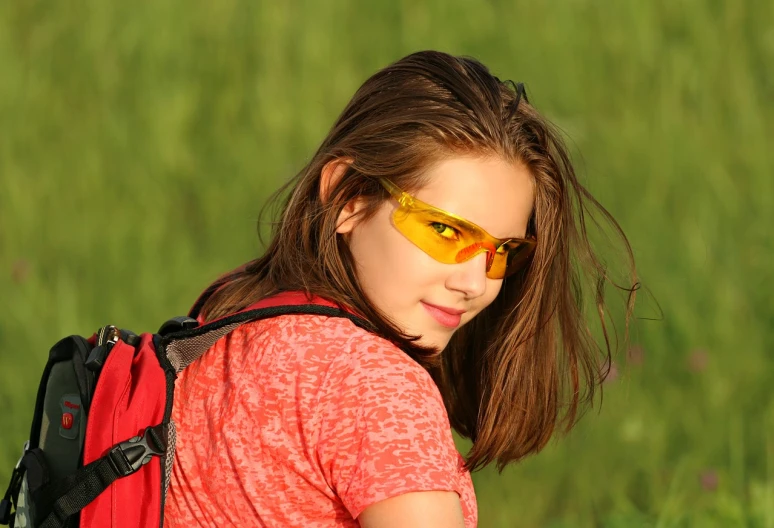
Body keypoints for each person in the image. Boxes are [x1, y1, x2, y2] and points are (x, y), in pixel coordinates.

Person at [162, 50, 636, 528]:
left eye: (504, 252)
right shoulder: (375, 386)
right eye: (447, 232)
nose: (475, 283)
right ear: (347, 194)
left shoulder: (234, 312)